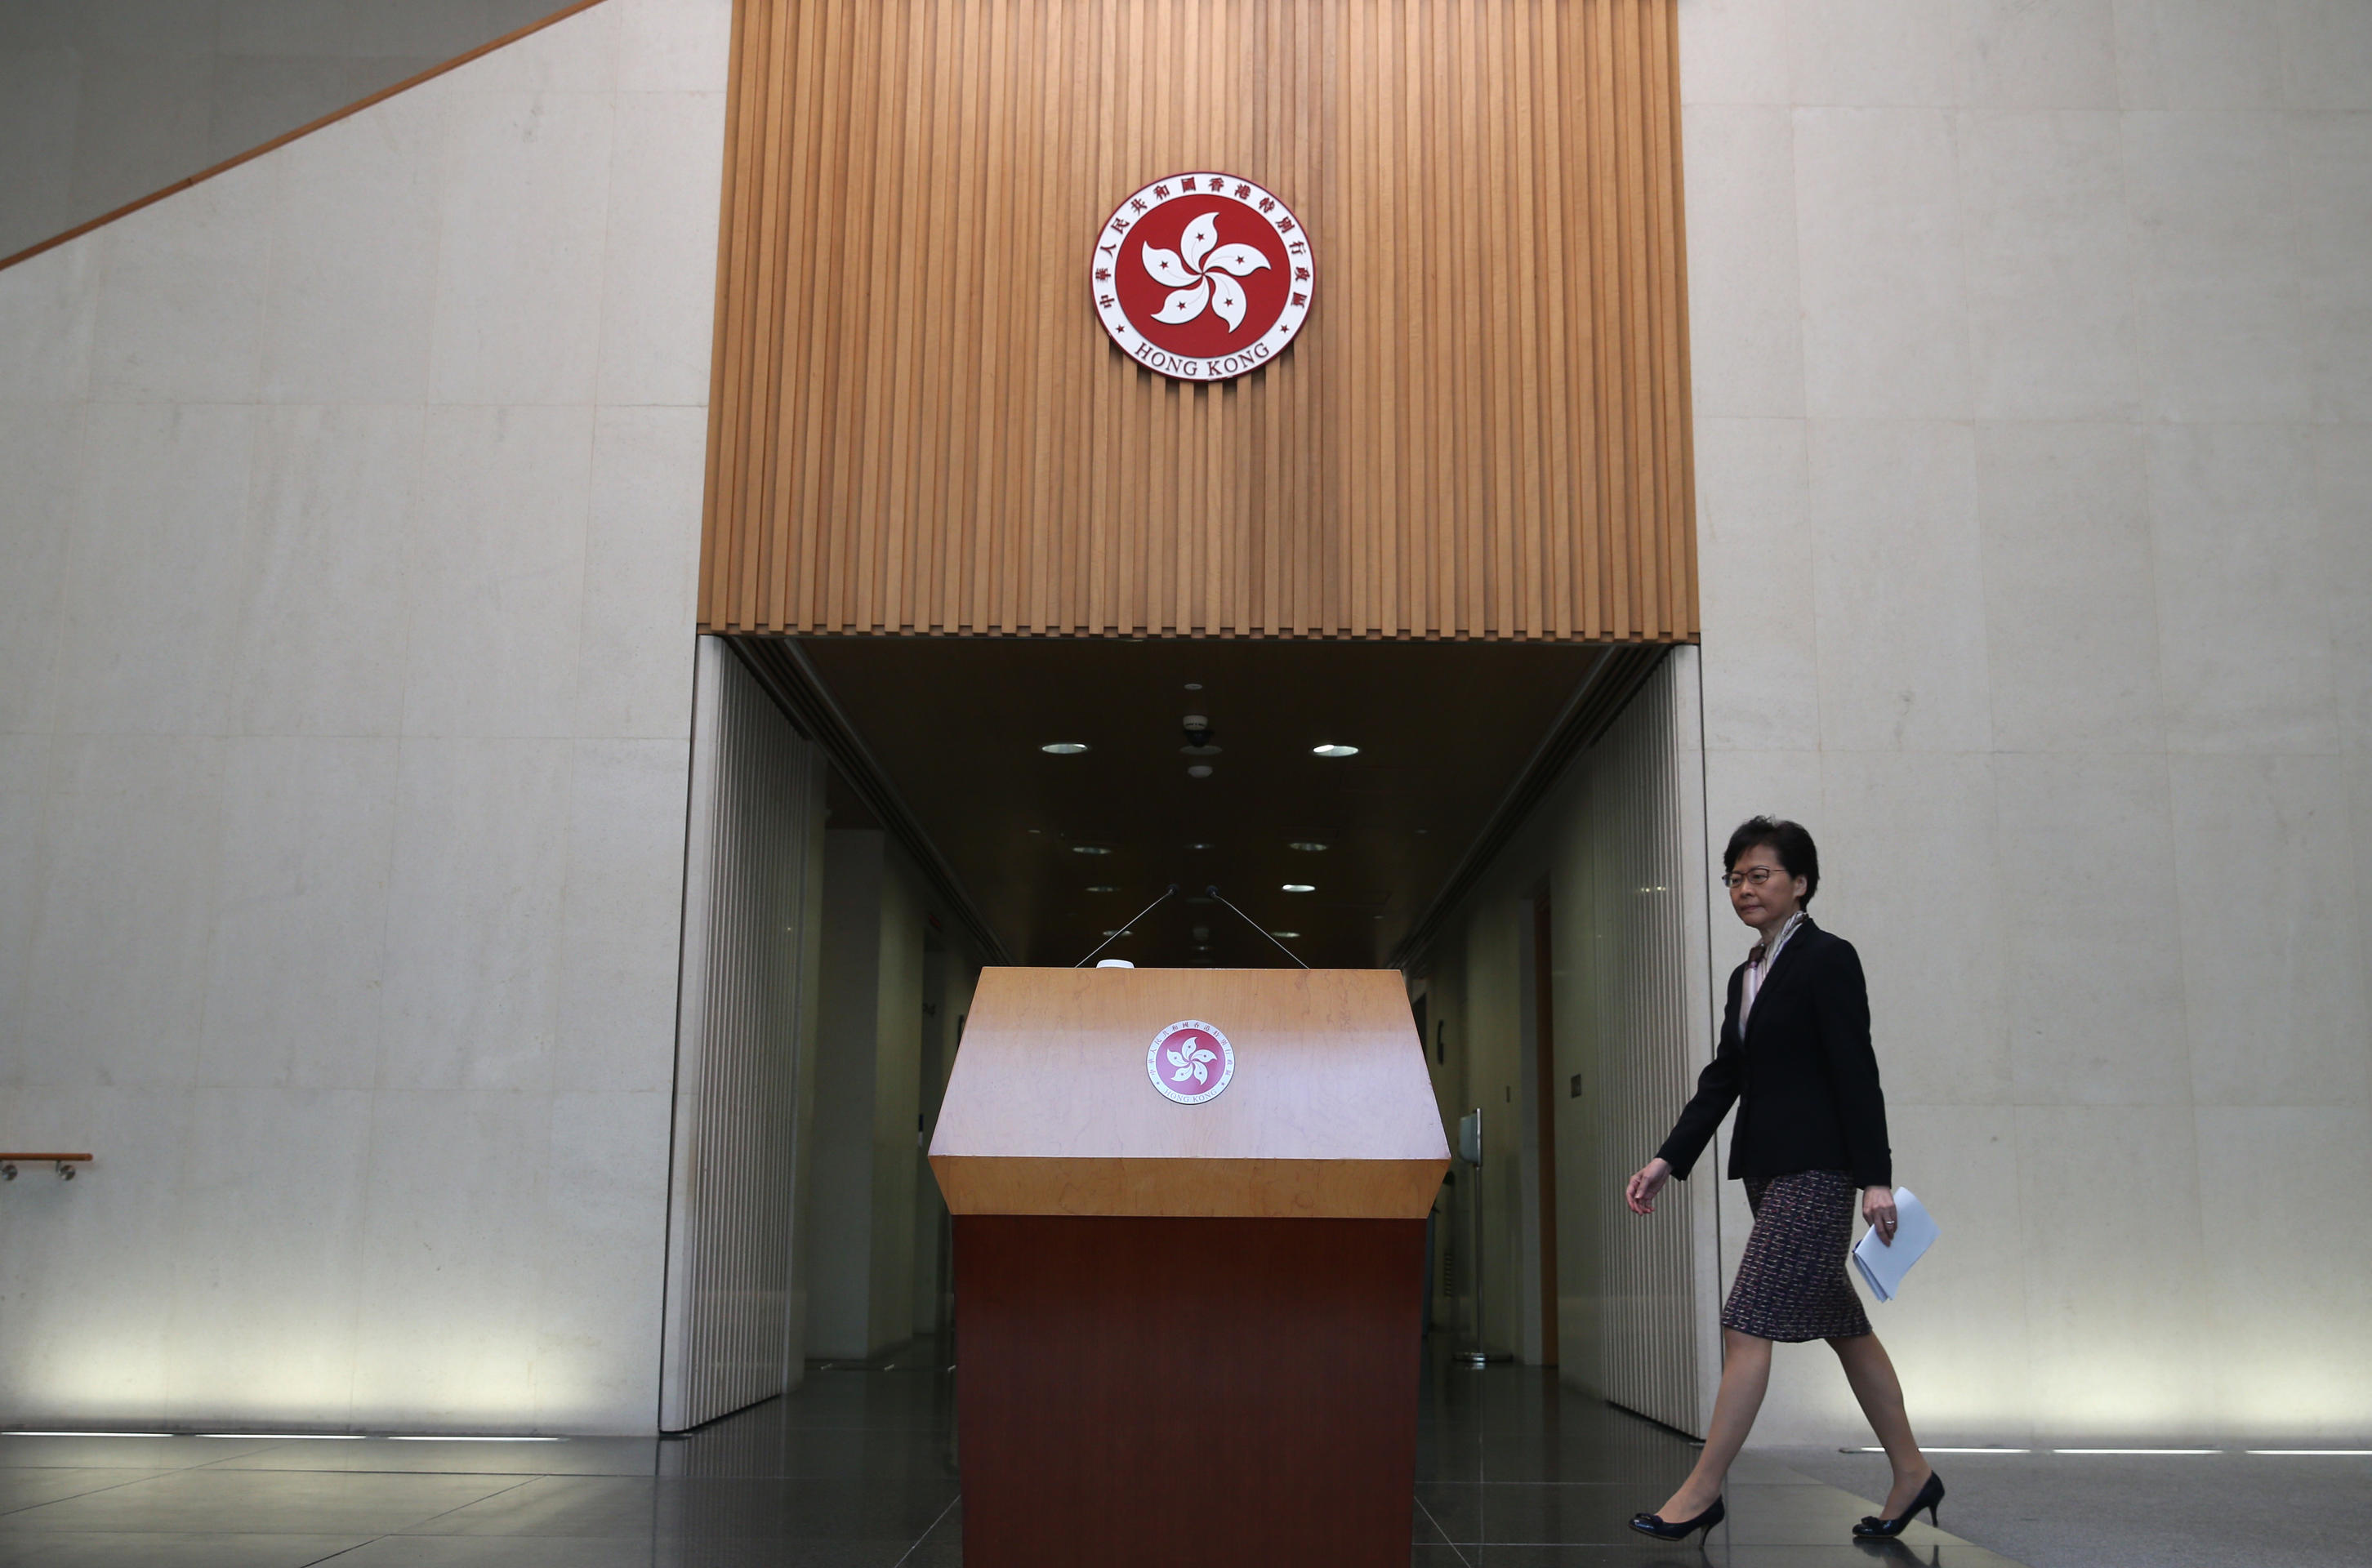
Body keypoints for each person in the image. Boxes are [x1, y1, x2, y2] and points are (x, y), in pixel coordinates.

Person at [1621, 817, 1942, 1544]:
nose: (1744, 888)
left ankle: (1702, 1491)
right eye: (1734, 877)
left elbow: (1856, 1071)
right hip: (1768, 1173)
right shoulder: (1747, 975)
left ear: (1800, 883)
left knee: (1747, 1322)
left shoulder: (1829, 958)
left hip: (1819, 1173)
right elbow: (1723, 1079)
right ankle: (1913, 1472)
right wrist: (1667, 1160)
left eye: (1759, 875)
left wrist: (1876, 1179)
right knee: (1845, 1329)